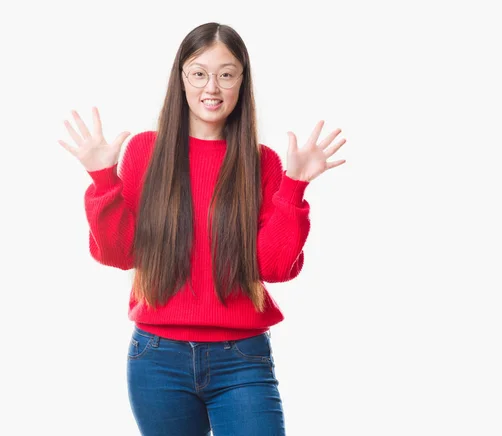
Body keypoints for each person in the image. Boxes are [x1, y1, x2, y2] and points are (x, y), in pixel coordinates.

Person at [58, 22, 346, 436]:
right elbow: (117, 254)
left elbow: (276, 267)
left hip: (242, 359)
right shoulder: (145, 151)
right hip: (157, 359)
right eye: (199, 73)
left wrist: (294, 187)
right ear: (182, 78)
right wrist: (103, 180)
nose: (212, 87)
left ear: (241, 82)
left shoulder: (260, 162)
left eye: (227, 74)